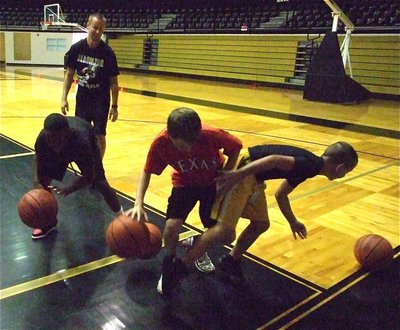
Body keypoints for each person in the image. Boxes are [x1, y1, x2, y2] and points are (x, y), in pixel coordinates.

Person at [180, 142, 358, 285]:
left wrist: (293, 221)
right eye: (347, 172)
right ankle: (179, 268)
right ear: (341, 169)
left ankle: (231, 260)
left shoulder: (311, 166)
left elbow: (281, 195)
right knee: (225, 232)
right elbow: (273, 159)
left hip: (254, 176)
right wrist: (238, 174)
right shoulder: (310, 165)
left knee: (261, 223)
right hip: (246, 169)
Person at [125, 107, 242, 296]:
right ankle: (169, 265)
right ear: (170, 135)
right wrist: (139, 202)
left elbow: (236, 146)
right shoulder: (160, 143)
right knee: (171, 227)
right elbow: (147, 170)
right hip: (184, 184)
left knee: (222, 233)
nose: (189, 149)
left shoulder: (211, 134)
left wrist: (226, 174)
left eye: (193, 143)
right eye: (182, 146)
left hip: (212, 184)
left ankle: (196, 245)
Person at [32, 113, 123, 240]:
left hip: (82, 140)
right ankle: (50, 221)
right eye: (49, 139)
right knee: (43, 181)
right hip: (66, 145)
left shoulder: (82, 141)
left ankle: (123, 219)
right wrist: (37, 182)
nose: (52, 143)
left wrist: (70, 189)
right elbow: (38, 157)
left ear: (67, 133)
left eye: (56, 139)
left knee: (101, 183)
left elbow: (90, 175)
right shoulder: (43, 139)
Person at [61, 12, 119, 159]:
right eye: (95, 27)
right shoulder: (76, 49)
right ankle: (85, 164)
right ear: (88, 26)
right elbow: (69, 75)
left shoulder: (108, 53)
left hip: (101, 99)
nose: (98, 32)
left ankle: (98, 168)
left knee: (100, 134)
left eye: (101, 29)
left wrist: (114, 106)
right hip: (83, 98)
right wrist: (64, 98)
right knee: (81, 133)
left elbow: (114, 82)